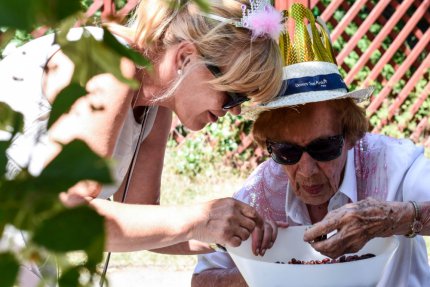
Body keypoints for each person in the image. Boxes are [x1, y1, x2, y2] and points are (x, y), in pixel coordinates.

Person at [0, 0, 286, 283]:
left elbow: (149, 225)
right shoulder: (108, 64)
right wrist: (202, 219)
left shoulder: (156, 103)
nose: (235, 111)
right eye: (233, 94)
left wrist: (237, 237)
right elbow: (68, 214)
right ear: (185, 57)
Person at [192, 3, 430, 287]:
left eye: (324, 148)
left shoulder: (394, 165)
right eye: (286, 152)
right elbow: (202, 280)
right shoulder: (260, 192)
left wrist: (392, 219)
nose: (307, 171)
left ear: (351, 135)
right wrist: (262, 272)